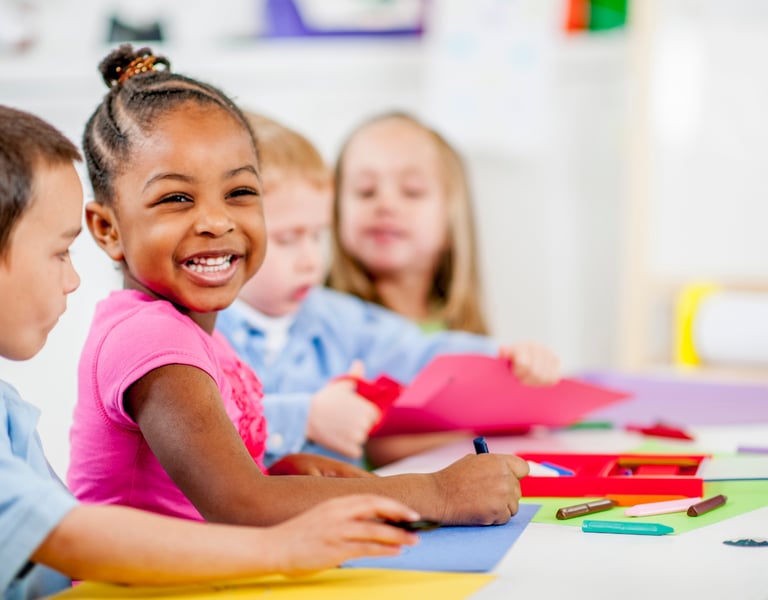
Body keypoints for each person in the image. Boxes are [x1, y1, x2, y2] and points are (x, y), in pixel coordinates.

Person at [68, 44, 530, 530]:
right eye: (177, 198)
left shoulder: (198, 334)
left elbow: (215, 492)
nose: (216, 221)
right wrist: (439, 493)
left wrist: (283, 473)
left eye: (240, 192)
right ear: (108, 229)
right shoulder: (152, 340)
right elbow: (240, 504)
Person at [0, 105, 423, 600]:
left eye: (240, 193)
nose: (72, 279)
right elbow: (64, 535)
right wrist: (283, 548)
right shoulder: (150, 335)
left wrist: (272, 477)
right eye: (59, 253)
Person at [217, 112, 560, 468]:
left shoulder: (338, 317)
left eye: (318, 236)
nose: (311, 260)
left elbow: (418, 353)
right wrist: (305, 418)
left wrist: (505, 357)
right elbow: (200, 425)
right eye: (288, 239)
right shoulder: (203, 330)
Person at [329, 112, 491, 334]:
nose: (385, 204)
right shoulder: (319, 326)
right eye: (366, 191)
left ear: (451, 218)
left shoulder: (463, 337)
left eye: (412, 191)